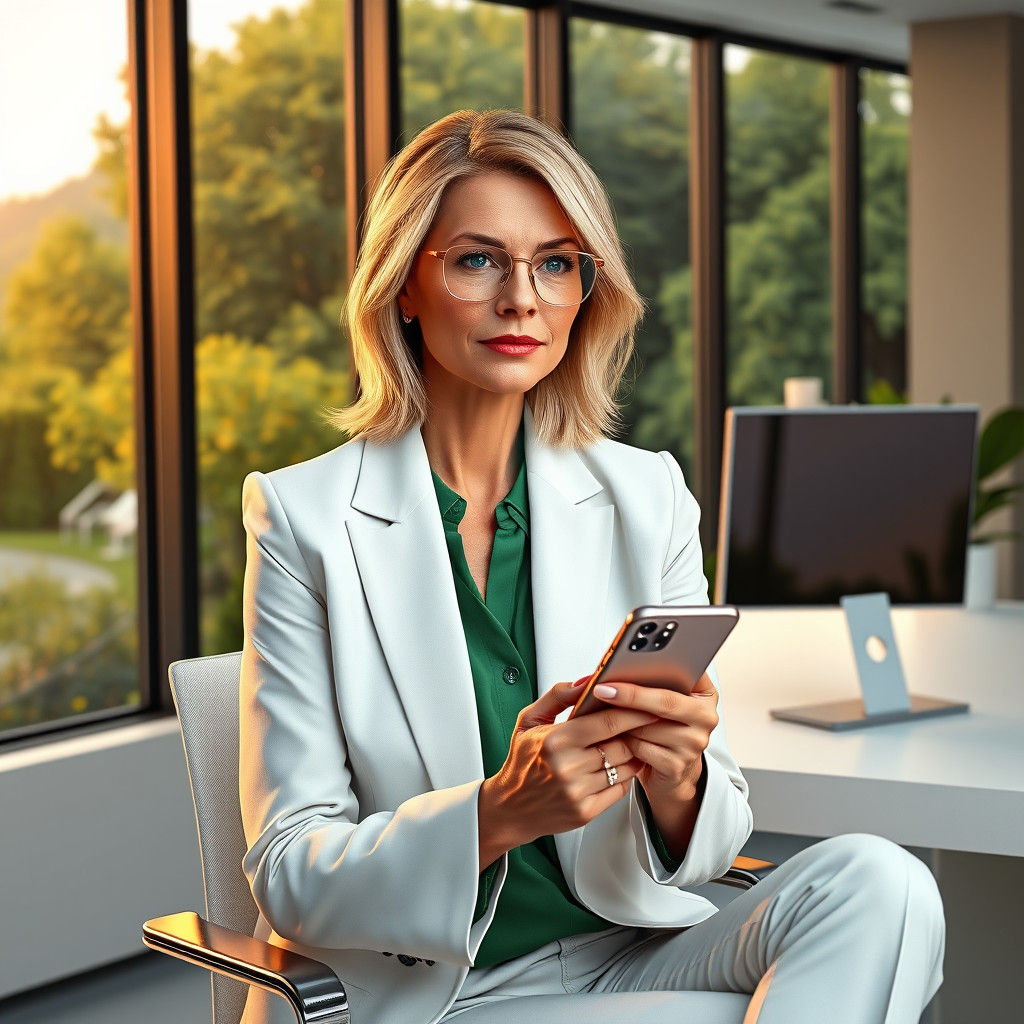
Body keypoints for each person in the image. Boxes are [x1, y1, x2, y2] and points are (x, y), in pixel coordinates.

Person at [237, 109, 944, 1024]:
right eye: (477, 259)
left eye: (557, 262)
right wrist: (501, 811)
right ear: (404, 285)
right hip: (436, 995)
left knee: (883, 882)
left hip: (631, 953)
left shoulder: (647, 495)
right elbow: (291, 872)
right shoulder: (303, 518)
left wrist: (681, 781)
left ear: (585, 291)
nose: (522, 298)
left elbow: (718, 828)